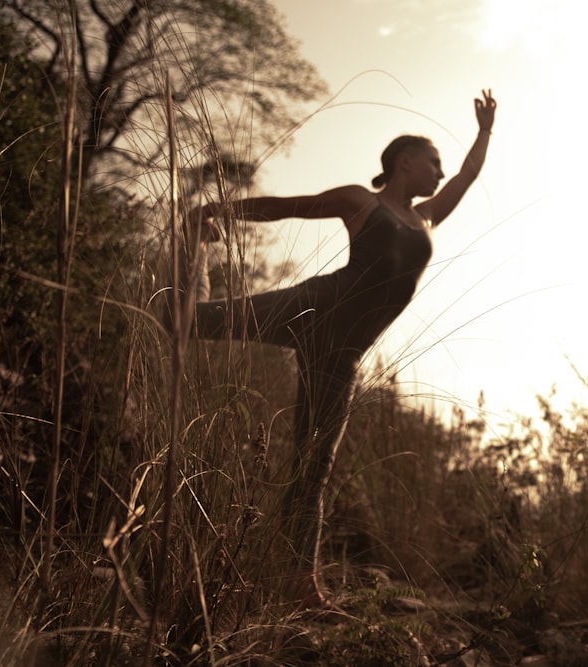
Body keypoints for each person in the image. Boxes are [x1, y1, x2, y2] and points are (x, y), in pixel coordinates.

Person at [183, 90, 496, 595]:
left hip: (344, 352)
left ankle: (298, 579)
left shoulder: (428, 217)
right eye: (433, 162)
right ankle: (195, 242)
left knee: (314, 463)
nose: (440, 172)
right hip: (316, 306)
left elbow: (467, 176)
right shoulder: (361, 201)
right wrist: (218, 211)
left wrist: (484, 131)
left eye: (441, 165)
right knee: (195, 323)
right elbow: (289, 207)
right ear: (405, 162)